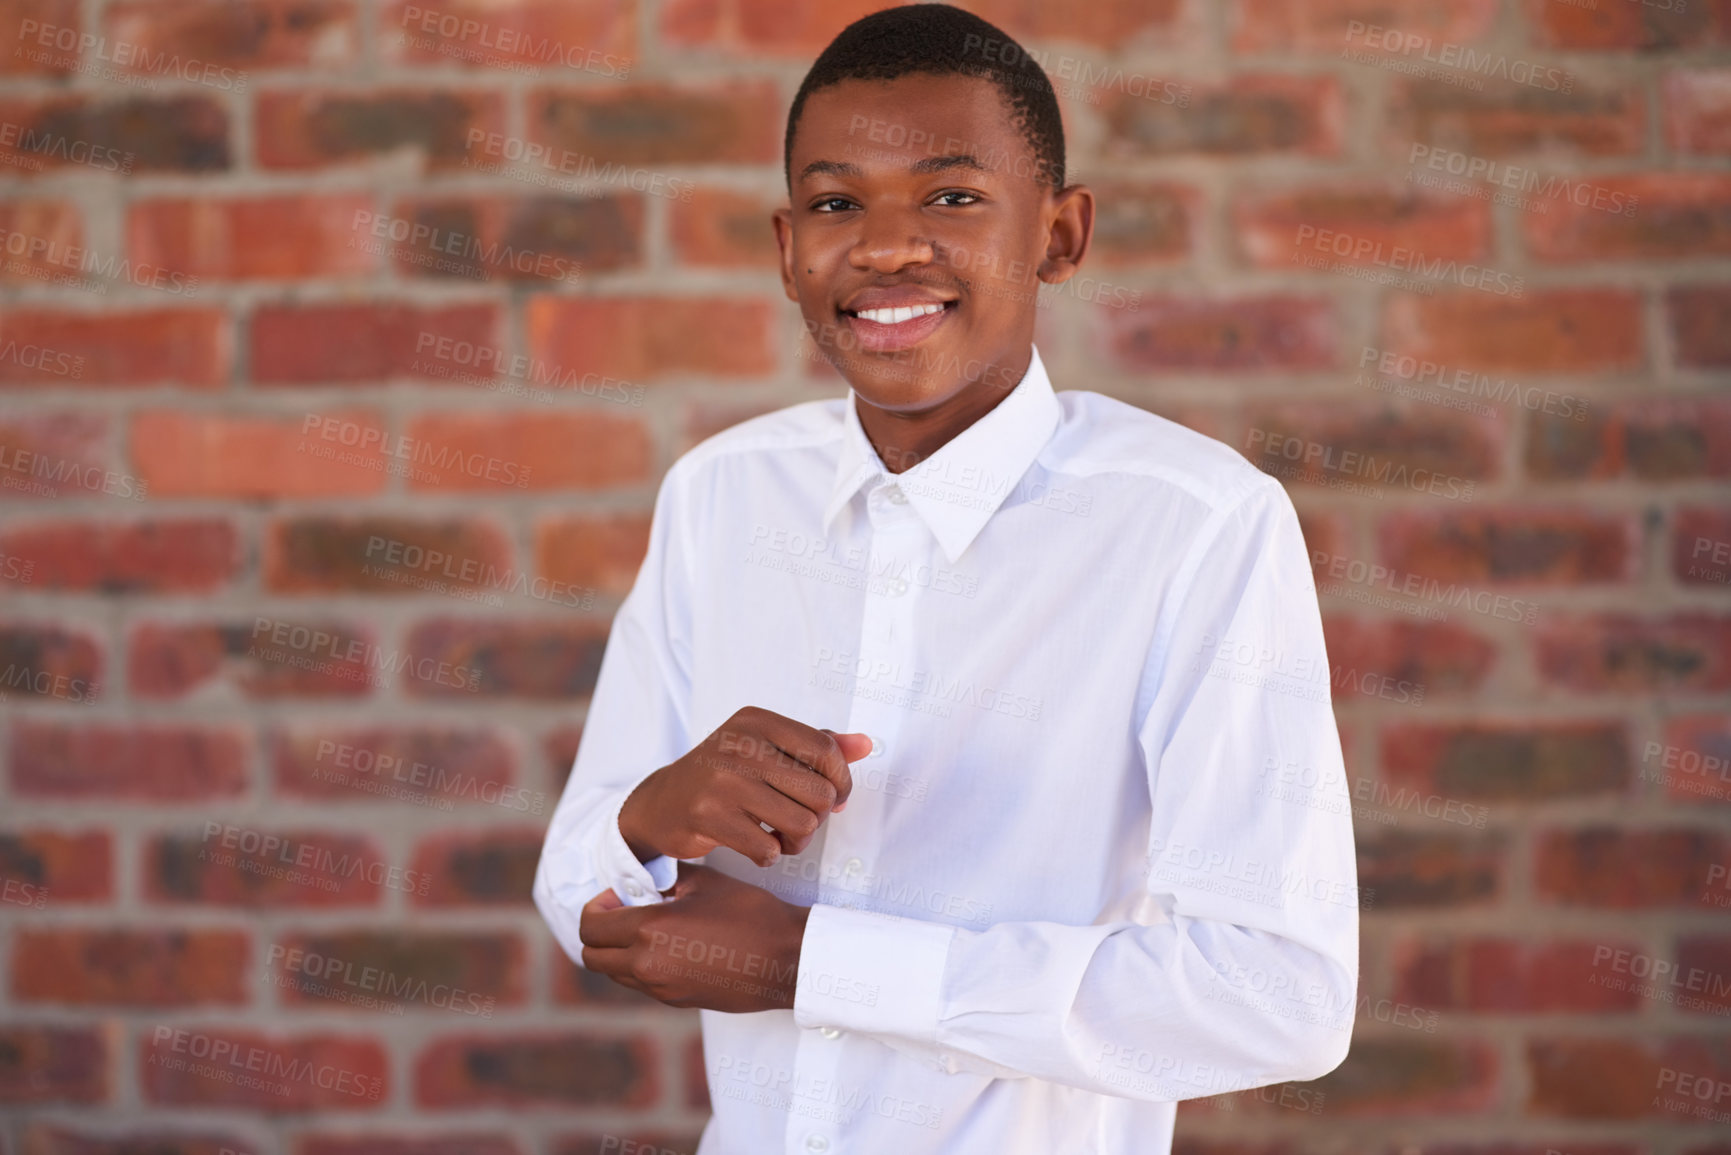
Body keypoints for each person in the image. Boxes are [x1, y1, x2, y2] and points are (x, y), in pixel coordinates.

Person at [533, 5, 1359, 1152]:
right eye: (836, 204)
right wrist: (645, 817)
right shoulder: (723, 497)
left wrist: (811, 964)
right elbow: (585, 898)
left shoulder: (1194, 527)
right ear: (787, 250)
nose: (882, 247)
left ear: (1059, 237)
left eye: (952, 196)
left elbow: (1279, 996)